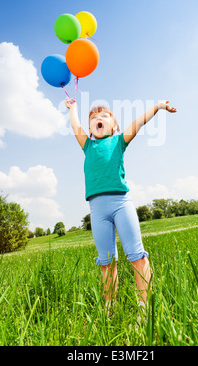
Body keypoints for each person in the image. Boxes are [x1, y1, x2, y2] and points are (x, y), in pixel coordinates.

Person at [65, 98, 177, 317]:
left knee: (137, 256)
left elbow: (138, 122)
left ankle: (145, 310)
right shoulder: (87, 145)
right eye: (94, 118)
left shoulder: (119, 141)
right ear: (89, 128)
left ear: (114, 125)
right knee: (107, 263)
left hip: (121, 204)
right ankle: (110, 310)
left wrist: (158, 107)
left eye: (104, 116)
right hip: (97, 210)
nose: (98, 119)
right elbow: (75, 125)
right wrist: (72, 108)